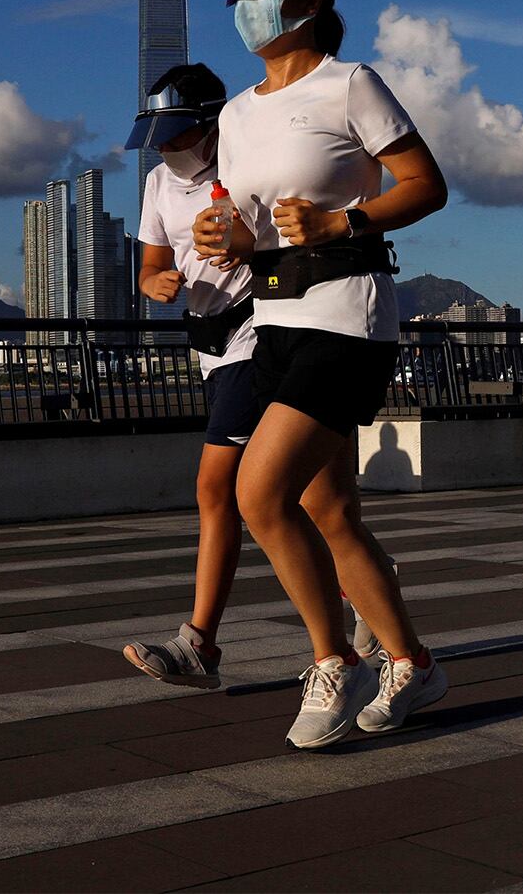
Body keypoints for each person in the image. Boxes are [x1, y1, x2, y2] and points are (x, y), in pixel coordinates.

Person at [194, 0, 450, 749]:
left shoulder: (351, 85)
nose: (247, 8)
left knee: (258, 496)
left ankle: (332, 659)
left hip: (346, 315)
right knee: (330, 510)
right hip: (272, 318)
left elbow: (425, 183)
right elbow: (248, 221)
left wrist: (344, 217)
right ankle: (411, 660)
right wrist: (224, 234)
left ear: (311, 2)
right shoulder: (233, 115)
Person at [118, 63, 376, 688]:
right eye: (161, 138)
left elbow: (273, 230)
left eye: (180, 135)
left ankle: (202, 641)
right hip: (207, 342)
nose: (170, 148)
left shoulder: (242, 162)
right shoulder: (157, 182)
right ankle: (376, 606)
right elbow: (152, 263)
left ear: (209, 126)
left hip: (257, 330)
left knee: (219, 486)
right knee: (325, 500)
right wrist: (160, 283)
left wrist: (238, 237)